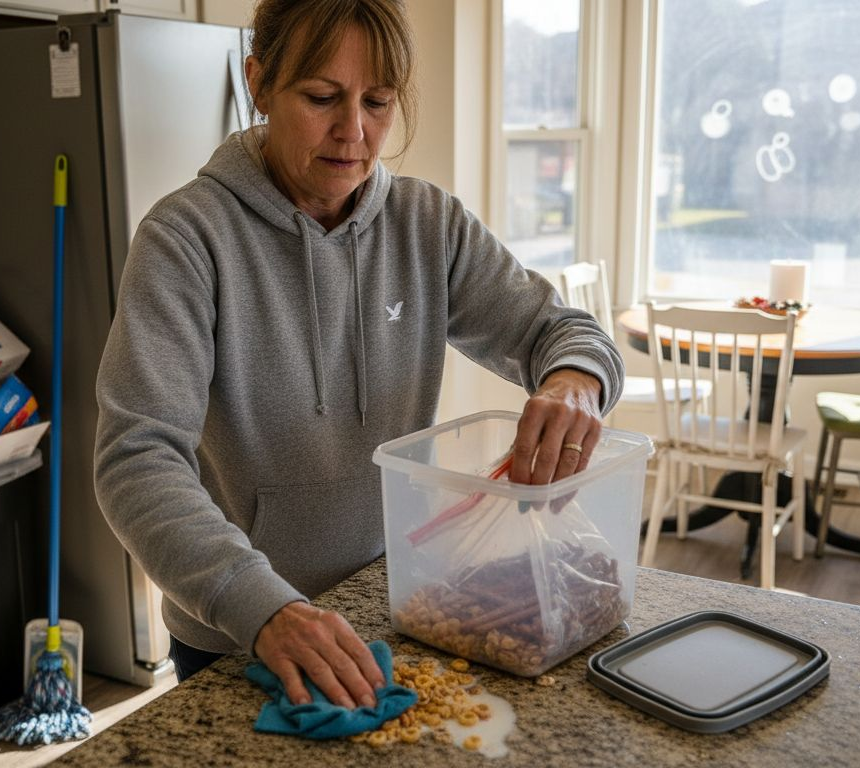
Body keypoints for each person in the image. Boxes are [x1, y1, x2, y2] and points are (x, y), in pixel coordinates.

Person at [94, 0, 624, 710]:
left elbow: (561, 331)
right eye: (321, 98)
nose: (354, 132)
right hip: (239, 631)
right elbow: (136, 460)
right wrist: (262, 608)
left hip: (397, 601)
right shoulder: (186, 240)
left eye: (378, 102)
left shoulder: (428, 226)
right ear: (258, 82)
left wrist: (576, 383)